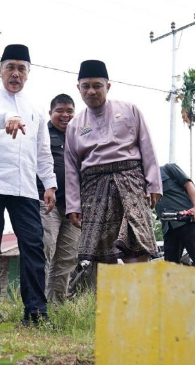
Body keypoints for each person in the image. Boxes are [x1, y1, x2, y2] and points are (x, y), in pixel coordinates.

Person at [0, 44, 57, 325]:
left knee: (33, 245)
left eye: (21, 68)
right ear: (0, 69)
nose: (16, 74)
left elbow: (43, 152)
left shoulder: (36, 109)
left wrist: (50, 185)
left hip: (24, 187)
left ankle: (35, 311)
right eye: (11, 67)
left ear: (28, 73)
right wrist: (8, 117)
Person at [65, 60, 161, 265]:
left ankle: (141, 296)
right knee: (101, 252)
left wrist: (154, 184)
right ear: (78, 88)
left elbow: (147, 148)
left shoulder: (129, 110)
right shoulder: (75, 125)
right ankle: (109, 297)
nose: (91, 91)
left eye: (97, 86)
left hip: (131, 182)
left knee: (137, 245)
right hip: (94, 188)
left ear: (107, 86)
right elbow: (71, 168)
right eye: (86, 86)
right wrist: (73, 205)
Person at [37, 94, 80, 305]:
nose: (65, 115)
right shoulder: (42, 133)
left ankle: (56, 307)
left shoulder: (80, 135)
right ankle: (37, 305)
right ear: (50, 113)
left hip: (73, 207)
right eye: (60, 111)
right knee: (45, 249)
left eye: (70, 111)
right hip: (46, 204)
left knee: (67, 258)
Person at [155, 163, 195, 267]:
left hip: (187, 221)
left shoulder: (168, 169)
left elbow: (188, 184)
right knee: (170, 266)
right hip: (168, 227)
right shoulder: (145, 181)